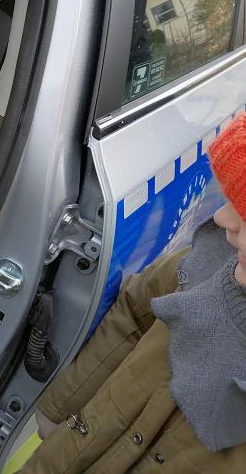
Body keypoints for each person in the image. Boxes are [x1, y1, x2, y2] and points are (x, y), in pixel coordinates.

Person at [23, 112, 246, 473]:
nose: (222, 219)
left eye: (244, 214)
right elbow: (136, 308)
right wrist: (61, 407)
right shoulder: (212, 260)